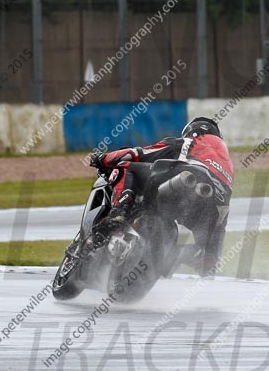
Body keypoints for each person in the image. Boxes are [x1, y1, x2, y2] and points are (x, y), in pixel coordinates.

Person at [89, 117, 233, 276]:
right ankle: (174, 258)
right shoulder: (228, 171)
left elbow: (138, 153)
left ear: (191, 131)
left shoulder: (189, 142)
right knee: (205, 255)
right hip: (209, 208)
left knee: (123, 167)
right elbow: (220, 223)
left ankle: (119, 213)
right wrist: (211, 255)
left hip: (186, 177)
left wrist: (103, 158)